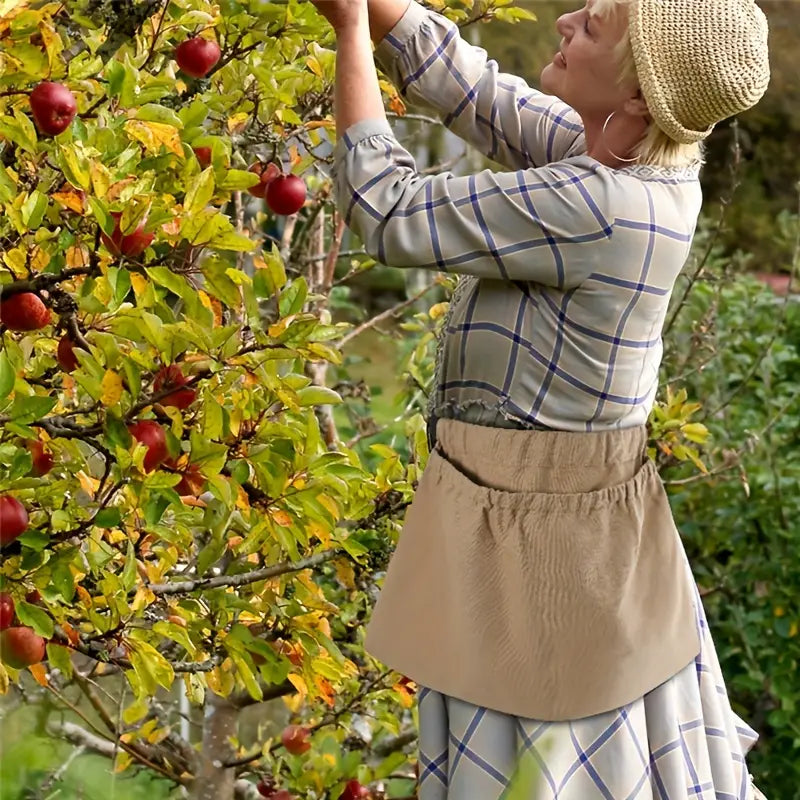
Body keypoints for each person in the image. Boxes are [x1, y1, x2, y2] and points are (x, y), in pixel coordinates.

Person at [310, 0, 771, 797]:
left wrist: (351, 32)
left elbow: (387, 212)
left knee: (538, 771)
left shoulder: (601, 206)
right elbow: (476, 91)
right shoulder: (633, 158)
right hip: (558, 522)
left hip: (546, 561)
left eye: (591, 27)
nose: (563, 20)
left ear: (635, 98)